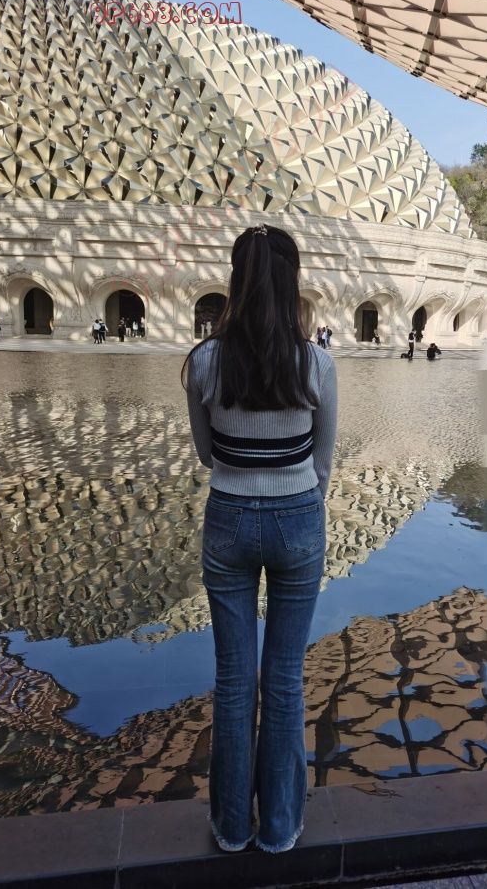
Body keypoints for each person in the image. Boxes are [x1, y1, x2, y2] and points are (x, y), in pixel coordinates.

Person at [183, 223, 337, 855]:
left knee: (233, 678)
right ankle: (278, 827)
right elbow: (323, 460)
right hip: (298, 518)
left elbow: (205, 454)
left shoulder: (204, 361)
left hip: (227, 519)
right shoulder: (317, 362)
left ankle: (230, 826)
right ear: (291, 282)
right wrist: (294, 499)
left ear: (235, 281)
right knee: (285, 678)